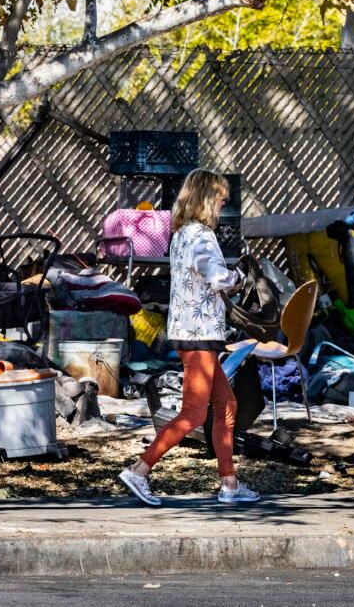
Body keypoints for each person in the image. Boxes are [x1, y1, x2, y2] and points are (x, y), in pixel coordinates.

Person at [118, 169, 260, 506]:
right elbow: (217, 277)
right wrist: (239, 276)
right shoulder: (200, 236)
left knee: (226, 405)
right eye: (220, 196)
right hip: (198, 335)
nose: (224, 202)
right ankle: (139, 470)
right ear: (206, 198)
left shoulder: (181, 234)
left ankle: (229, 484)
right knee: (193, 414)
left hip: (193, 332)